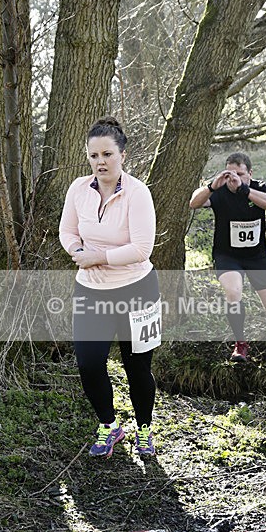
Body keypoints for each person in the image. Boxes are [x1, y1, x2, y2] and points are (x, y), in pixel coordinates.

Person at [59, 116, 160, 459]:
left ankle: (144, 430)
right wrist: (77, 252)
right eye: (93, 156)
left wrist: (97, 257)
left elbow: (141, 249)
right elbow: (68, 232)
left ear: (122, 155)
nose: (100, 162)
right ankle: (109, 425)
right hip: (90, 290)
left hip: (138, 290)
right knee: (88, 363)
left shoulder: (138, 193)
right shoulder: (77, 189)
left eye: (107, 154)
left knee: (137, 367)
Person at [189, 151, 266, 362]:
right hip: (227, 256)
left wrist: (244, 189)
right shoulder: (219, 191)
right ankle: (240, 343)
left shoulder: (260, 188)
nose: (234, 179)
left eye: (240, 174)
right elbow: (194, 203)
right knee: (233, 292)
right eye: (230, 174)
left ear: (250, 173)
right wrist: (210, 187)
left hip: (257, 257)